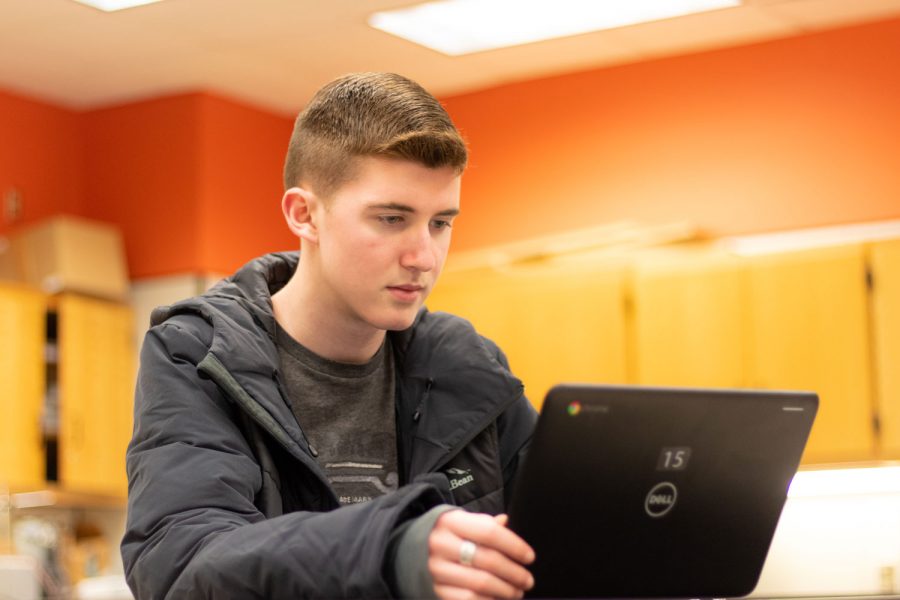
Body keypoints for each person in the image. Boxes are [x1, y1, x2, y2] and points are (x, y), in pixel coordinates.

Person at [121, 72, 539, 599]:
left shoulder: (469, 366)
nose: (424, 257)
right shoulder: (197, 355)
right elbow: (182, 566)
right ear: (304, 215)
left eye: (440, 224)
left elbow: (562, 546)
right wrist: (389, 549)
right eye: (391, 219)